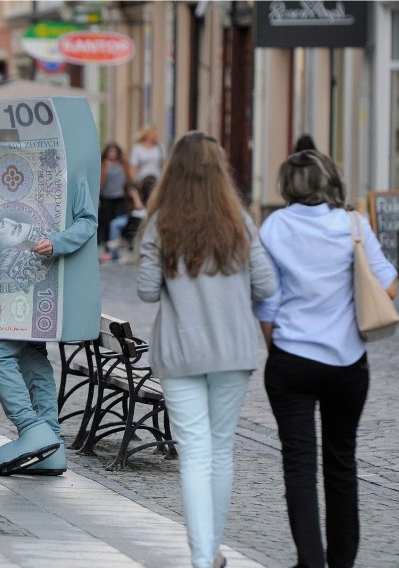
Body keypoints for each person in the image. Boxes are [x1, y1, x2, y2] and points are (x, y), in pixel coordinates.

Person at [137, 131, 277, 568]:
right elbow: (268, 284)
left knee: (194, 453)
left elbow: (145, 291)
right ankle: (209, 552)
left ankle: (202, 556)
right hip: (233, 351)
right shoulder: (239, 220)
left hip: (181, 351)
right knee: (220, 450)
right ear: (220, 171)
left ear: (173, 170)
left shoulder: (162, 222)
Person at [253, 149, 398, 568]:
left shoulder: (275, 225)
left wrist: (275, 348)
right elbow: (388, 289)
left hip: (291, 359)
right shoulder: (353, 224)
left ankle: (310, 562)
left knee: (299, 466)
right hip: (348, 361)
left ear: (286, 186)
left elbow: (267, 300)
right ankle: (342, 564)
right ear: (329, 181)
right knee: (341, 462)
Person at [0, 180, 97, 477]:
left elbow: (88, 221)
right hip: (10, 286)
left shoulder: (71, 168)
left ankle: (33, 429)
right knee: (34, 359)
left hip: (43, 283)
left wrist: (58, 241)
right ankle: (52, 445)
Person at [98, 142, 131, 261]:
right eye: (110, 151)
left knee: (118, 222)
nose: (112, 154)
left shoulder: (122, 164)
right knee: (106, 223)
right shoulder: (103, 165)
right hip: (106, 197)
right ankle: (108, 248)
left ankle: (117, 248)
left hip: (120, 197)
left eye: (114, 152)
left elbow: (129, 177)